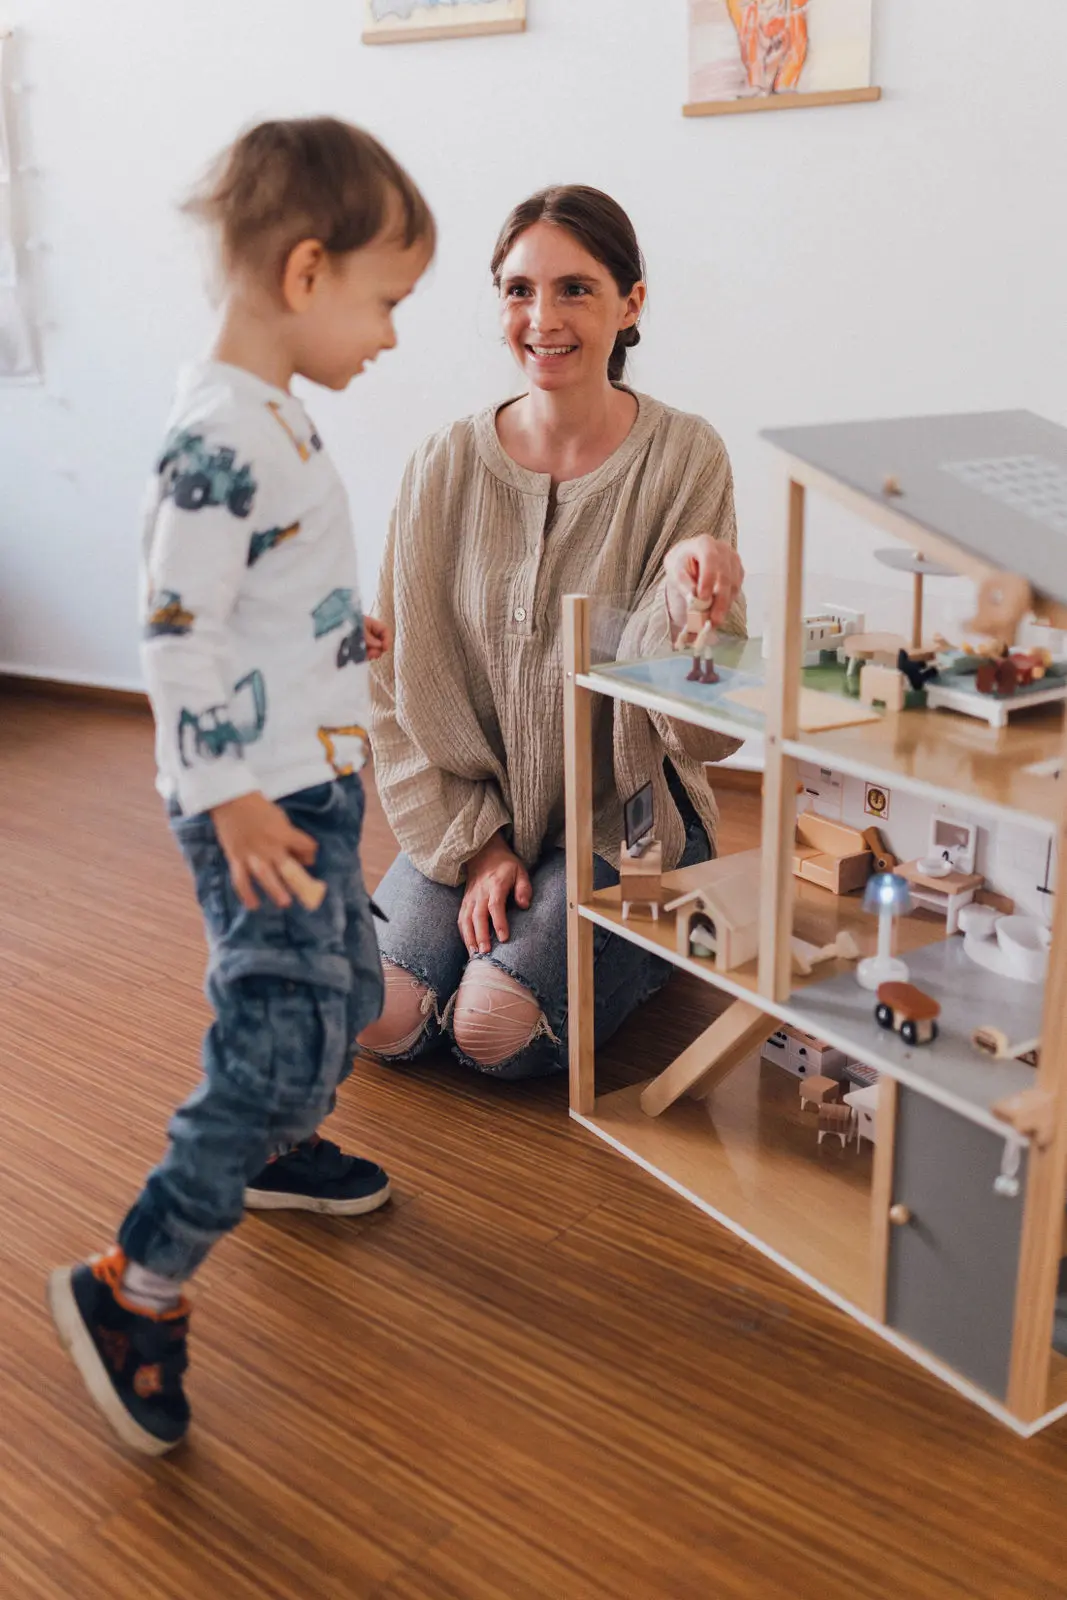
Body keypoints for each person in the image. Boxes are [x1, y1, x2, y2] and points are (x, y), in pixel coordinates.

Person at [47, 118, 435, 1455]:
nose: (388, 335)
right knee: (275, 1033)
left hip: (312, 779)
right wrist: (227, 798)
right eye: (385, 301)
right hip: (256, 803)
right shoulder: (217, 435)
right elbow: (174, 632)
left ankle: (273, 1152)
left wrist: (337, 633)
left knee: (336, 1003)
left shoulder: (275, 417)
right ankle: (134, 1284)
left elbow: (250, 600)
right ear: (308, 271)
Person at [360, 185, 745, 1082]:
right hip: (473, 806)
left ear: (630, 304)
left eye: (575, 289)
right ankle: (538, 939)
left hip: (623, 818)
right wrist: (476, 846)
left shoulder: (686, 456)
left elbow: (706, 731)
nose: (543, 317)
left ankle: (649, 949)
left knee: (491, 1032)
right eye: (518, 290)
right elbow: (390, 691)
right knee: (379, 1018)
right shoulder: (441, 465)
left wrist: (698, 608)